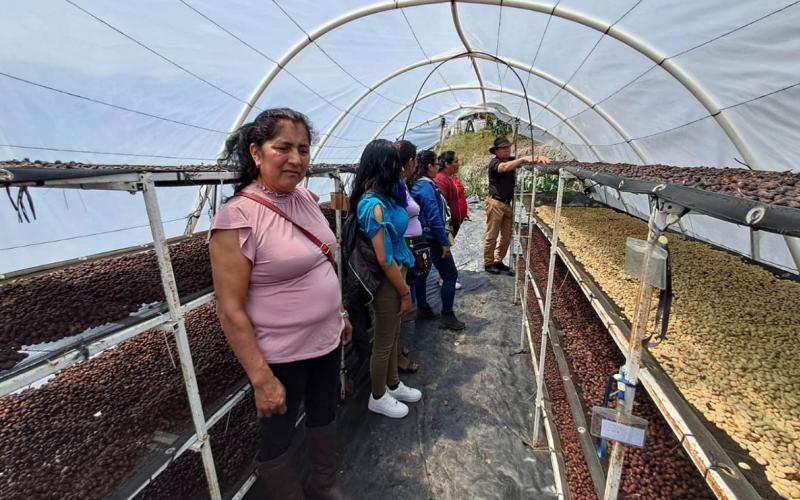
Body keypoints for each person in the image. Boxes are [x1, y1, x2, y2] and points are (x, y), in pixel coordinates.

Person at [208, 108, 352, 500]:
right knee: (278, 437)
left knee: (324, 414)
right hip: (281, 356)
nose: (296, 159)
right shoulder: (237, 219)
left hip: (326, 339)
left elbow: (324, 260)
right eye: (283, 147)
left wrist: (338, 313)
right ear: (256, 152)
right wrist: (261, 378)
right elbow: (229, 309)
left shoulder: (305, 198)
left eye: (303, 149)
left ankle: (323, 483)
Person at [351, 139, 423, 419]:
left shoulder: (388, 197)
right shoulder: (372, 206)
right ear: (383, 166)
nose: (402, 169)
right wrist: (404, 291)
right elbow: (383, 258)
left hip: (398, 274)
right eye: (396, 164)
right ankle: (378, 395)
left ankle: (393, 383)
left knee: (394, 334)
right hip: (387, 282)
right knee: (383, 340)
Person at [410, 150, 465, 331]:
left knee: (422, 272)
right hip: (432, 238)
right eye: (436, 164)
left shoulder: (417, 184)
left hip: (421, 237)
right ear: (429, 167)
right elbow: (434, 217)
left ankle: (423, 308)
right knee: (450, 275)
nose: (438, 167)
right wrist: (444, 243)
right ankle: (447, 316)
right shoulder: (426, 187)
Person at [484, 137, 550, 276]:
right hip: (495, 203)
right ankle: (488, 263)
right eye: (504, 148)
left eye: (508, 148)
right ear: (496, 151)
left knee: (507, 236)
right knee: (492, 235)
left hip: (508, 203)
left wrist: (538, 157)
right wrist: (523, 159)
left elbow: (518, 163)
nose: (507, 150)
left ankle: (498, 260)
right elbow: (505, 168)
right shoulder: (495, 163)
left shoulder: (511, 161)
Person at [395, 139, 423, 374]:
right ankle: (396, 360)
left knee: (406, 303)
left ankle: (399, 349)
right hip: (400, 252)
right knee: (401, 306)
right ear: (410, 161)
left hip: (406, 251)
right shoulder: (394, 187)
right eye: (415, 159)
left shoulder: (402, 184)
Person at [434, 151, 464, 238]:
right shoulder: (441, 180)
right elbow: (441, 206)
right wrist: (448, 226)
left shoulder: (448, 178)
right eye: (456, 161)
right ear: (447, 164)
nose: (458, 164)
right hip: (447, 228)